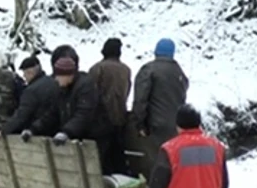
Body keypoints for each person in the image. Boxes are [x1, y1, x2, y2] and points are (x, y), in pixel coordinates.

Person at [25, 54, 109, 158]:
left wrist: (66, 132)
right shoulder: (62, 89)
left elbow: (83, 114)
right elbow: (52, 114)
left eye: (58, 76)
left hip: (95, 138)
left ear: (68, 75)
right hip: (78, 138)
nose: (56, 79)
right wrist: (33, 129)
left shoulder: (86, 87)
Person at [132, 38, 190, 164]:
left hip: (155, 126)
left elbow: (140, 99)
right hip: (176, 127)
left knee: (157, 164)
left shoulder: (149, 70)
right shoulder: (179, 72)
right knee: (173, 162)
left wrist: (140, 124)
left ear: (156, 51)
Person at [89, 38, 132, 175]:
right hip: (120, 118)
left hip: (100, 121)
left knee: (101, 159)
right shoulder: (126, 70)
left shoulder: (97, 69)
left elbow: (90, 93)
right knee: (117, 157)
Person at [0, 56, 59, 137]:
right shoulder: (54, 82)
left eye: (25, 73)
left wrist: (4, 130)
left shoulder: (31, 91)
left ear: (30, 72)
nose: (24, 76)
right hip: (57, 132)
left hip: (37, 134)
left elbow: (22, 115)